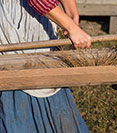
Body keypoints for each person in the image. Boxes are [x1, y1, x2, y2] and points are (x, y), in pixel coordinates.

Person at [0, 0, 90, 132]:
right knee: (20, 78)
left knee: (47, 76)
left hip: (42, 18)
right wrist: (72, 27)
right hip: (15, 20)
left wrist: (71, 12)